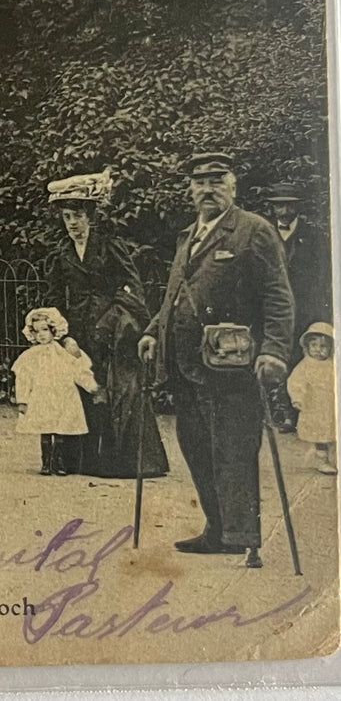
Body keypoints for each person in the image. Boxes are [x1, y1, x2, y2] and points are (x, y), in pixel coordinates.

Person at [140, 152, 294, 566]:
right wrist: (155, 330)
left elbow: (278, 298)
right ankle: (217, 530)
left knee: (234, 449)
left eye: (216, 181)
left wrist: (275, 350)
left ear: (233, 187)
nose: (207, 189)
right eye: (199, 182)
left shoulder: (253, 230)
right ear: (190, 191)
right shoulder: (188, 235)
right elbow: (175, 293)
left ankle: (243, 535)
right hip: (187, 365)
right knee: (197, 448)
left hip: (232, 365)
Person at [43, 171, 167, 479]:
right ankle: (80, 462)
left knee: (115, 390)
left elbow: (131, 286)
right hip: (78, 332)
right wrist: (60, 331)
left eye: (78, 216)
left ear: (90, 217)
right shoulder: (62, 252)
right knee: (80, 388)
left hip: (112, 330)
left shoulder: (110, 245)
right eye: (67, 216)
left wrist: (112, 318)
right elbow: (53, 295)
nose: (72, 223)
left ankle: (123, 463)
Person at [262, 182, 332, 432]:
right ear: (272, 208)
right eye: (279, 205)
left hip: (305, 307)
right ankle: (278, 413)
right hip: (272, 308)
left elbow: (324, 276)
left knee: (302, 359)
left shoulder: (314, 237)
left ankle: (298, 414)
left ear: (297, 207)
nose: (284, 210)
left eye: (289, 204)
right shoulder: (265, 234)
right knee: (274, 354)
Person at [14, 308, 100, 476]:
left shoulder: (62, 353)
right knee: (45, 430)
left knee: (61, 429)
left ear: (54, 330)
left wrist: (91, 386)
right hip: (42, 397)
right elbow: (24, 378)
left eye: (45, 330)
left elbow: (78, 368)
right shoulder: (30, 356)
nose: (42, 335)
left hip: (62, 396)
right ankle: (46, 463)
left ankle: (59, 462)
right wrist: (22, 400)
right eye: (37, 331)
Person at [286, 322, 337, 475]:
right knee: (320, 436)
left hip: (331, 405)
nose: (318, 350)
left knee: (333, 434)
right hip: (315, 406)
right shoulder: (305, 365)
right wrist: (297, 398)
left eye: (323, 347)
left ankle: (333, 459)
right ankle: (323, 461)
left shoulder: (333, 365)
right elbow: (296, 382)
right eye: (314, 346)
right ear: (307, 347)